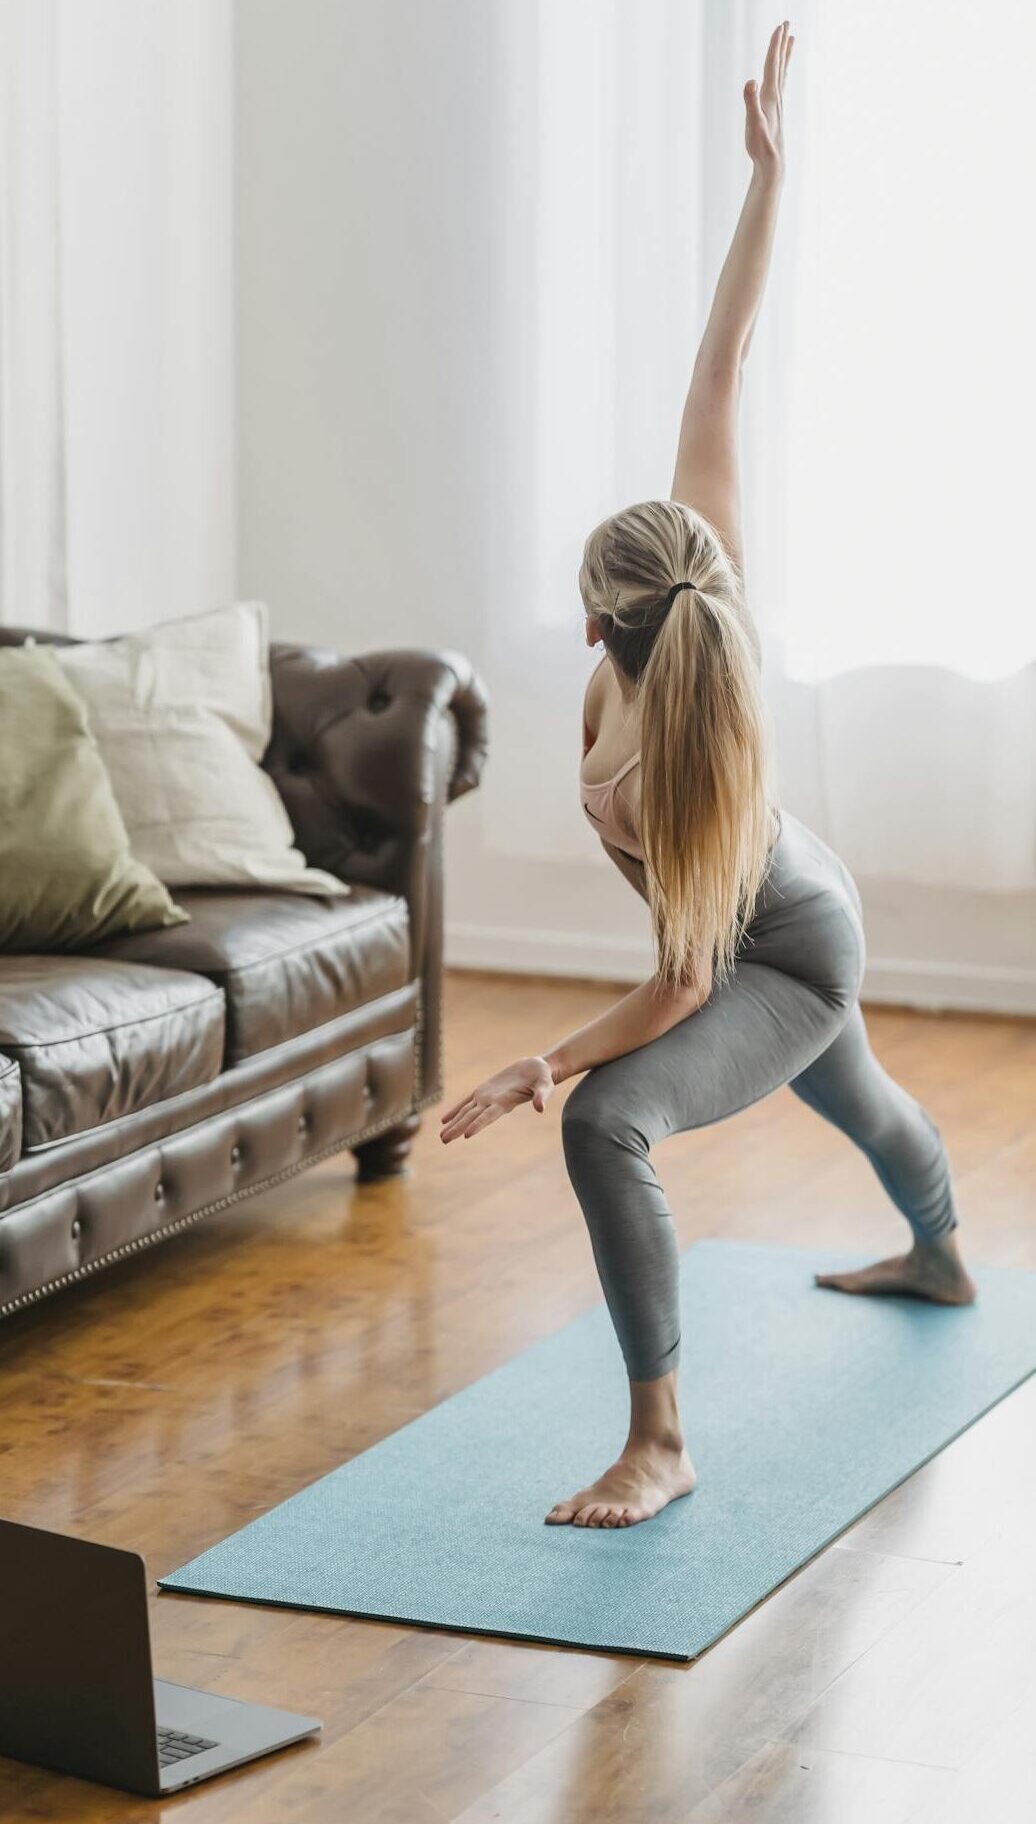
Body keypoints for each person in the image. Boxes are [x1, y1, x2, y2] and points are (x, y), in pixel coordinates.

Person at [440, 21, 977, 1531]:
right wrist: (768, 177)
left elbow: (684, 990)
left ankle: (662, 1443)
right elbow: (725, 355)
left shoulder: (678, 759)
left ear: (598, 613)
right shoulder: (691, 594)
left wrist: (542, 1064)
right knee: (861, 1101)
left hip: (786, 949)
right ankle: (941, 1251)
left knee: (612, 1122)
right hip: (798, 906)